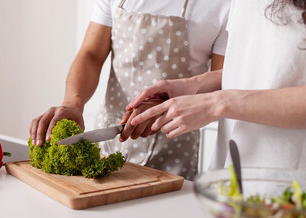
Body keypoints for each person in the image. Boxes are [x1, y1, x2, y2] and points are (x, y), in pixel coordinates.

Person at [29, 0, 230, 179]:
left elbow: (223, 82)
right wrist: (72, 103)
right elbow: (91, 55)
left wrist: (163, 105)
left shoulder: (224, 5)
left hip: (174, 152)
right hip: (111, 138)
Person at [127, 0, 306, 170]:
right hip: (232, 168)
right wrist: (197, 85)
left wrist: (217, 103)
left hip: (288, 177)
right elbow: (260, 70)